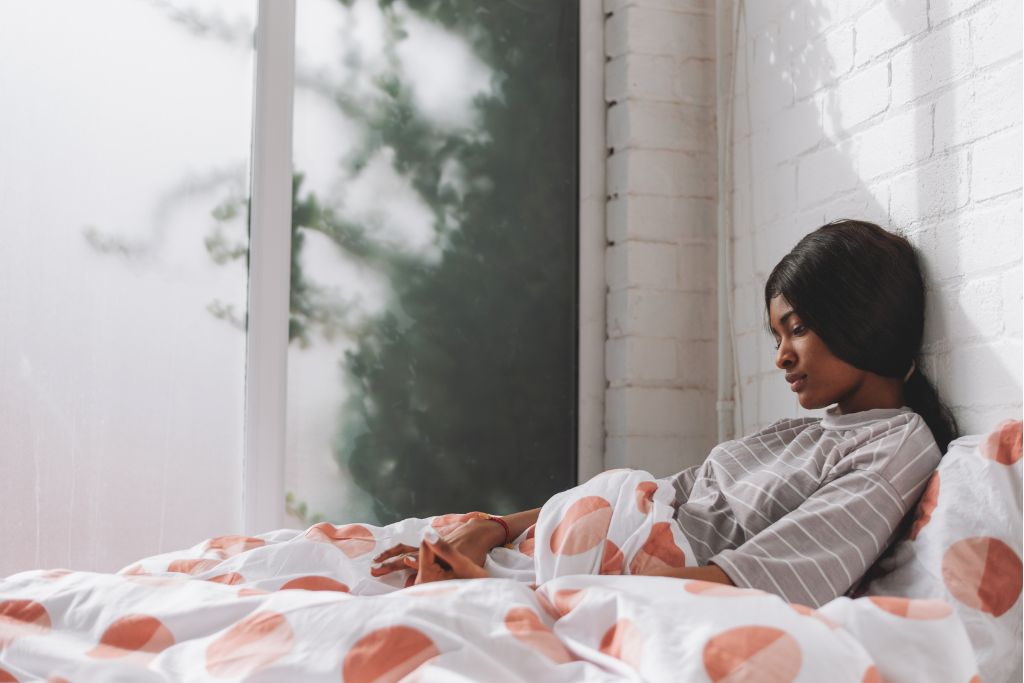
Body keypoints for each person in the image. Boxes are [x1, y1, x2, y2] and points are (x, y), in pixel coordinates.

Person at [371, 219, 958, 607]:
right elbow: (671, 490)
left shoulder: (895, 448)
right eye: (777, 335)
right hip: (549, 554)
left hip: (581, 579)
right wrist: (493, 528)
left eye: (796, 330)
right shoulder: (811, 430)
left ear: (859, 315)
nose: (780, 357)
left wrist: (500, 598)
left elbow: (754, 584)